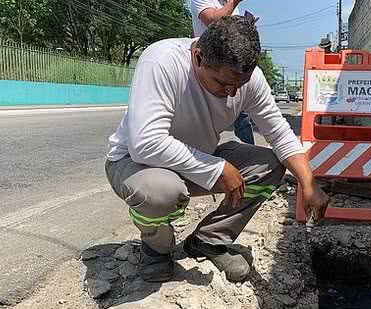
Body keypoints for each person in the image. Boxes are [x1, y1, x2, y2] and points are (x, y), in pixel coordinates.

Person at [105, 16, 328, 283]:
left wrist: (308, 182)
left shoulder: (247, 79)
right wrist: (217, 167)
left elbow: (279, 133)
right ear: (198, 58)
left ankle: (209, 240)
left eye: (240, 84)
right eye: (223, 83)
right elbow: (145, 144)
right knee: (161, 191)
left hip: (194, 160)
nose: (233, 93)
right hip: (136, 164)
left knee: (270, 165)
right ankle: (156, 249)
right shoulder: (162, 62)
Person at [190, 0, 255, 145]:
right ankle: (197, 152)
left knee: (242, 117)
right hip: (209, 67)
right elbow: (213, 22)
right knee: (202, 113)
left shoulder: (231, 6)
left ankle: (248, 148)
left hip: (230, 66)